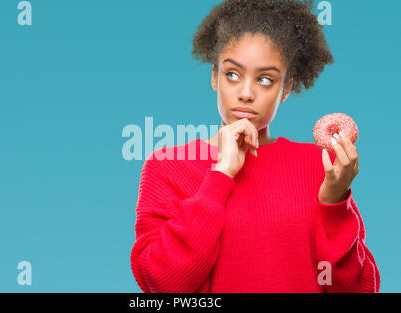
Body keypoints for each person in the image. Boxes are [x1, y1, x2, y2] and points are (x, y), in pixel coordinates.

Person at [130, 0, 380, 292]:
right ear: (214, 77)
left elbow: (358, 288)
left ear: (286, 89)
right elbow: (162, 285)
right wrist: (221, 175)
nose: (246, 93)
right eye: (232, 74)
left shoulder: (319, 166)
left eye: (265, 80)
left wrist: (334, 203)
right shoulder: (168, 166)